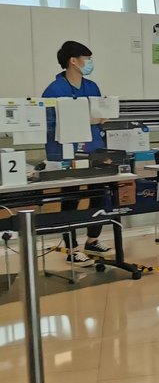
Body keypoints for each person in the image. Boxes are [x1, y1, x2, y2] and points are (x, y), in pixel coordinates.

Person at [42, 40, 108, 264]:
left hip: (93, 147)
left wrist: (98, 119)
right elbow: (50, 123)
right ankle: (71, 248)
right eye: (87, 59)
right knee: (71, 197)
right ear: (73, 61)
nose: (89, 63)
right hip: (66, 151)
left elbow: (99, 115)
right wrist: (81, 120)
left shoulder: (92, 86)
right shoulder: (54, 90)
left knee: (99, 192)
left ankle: (92, 239)